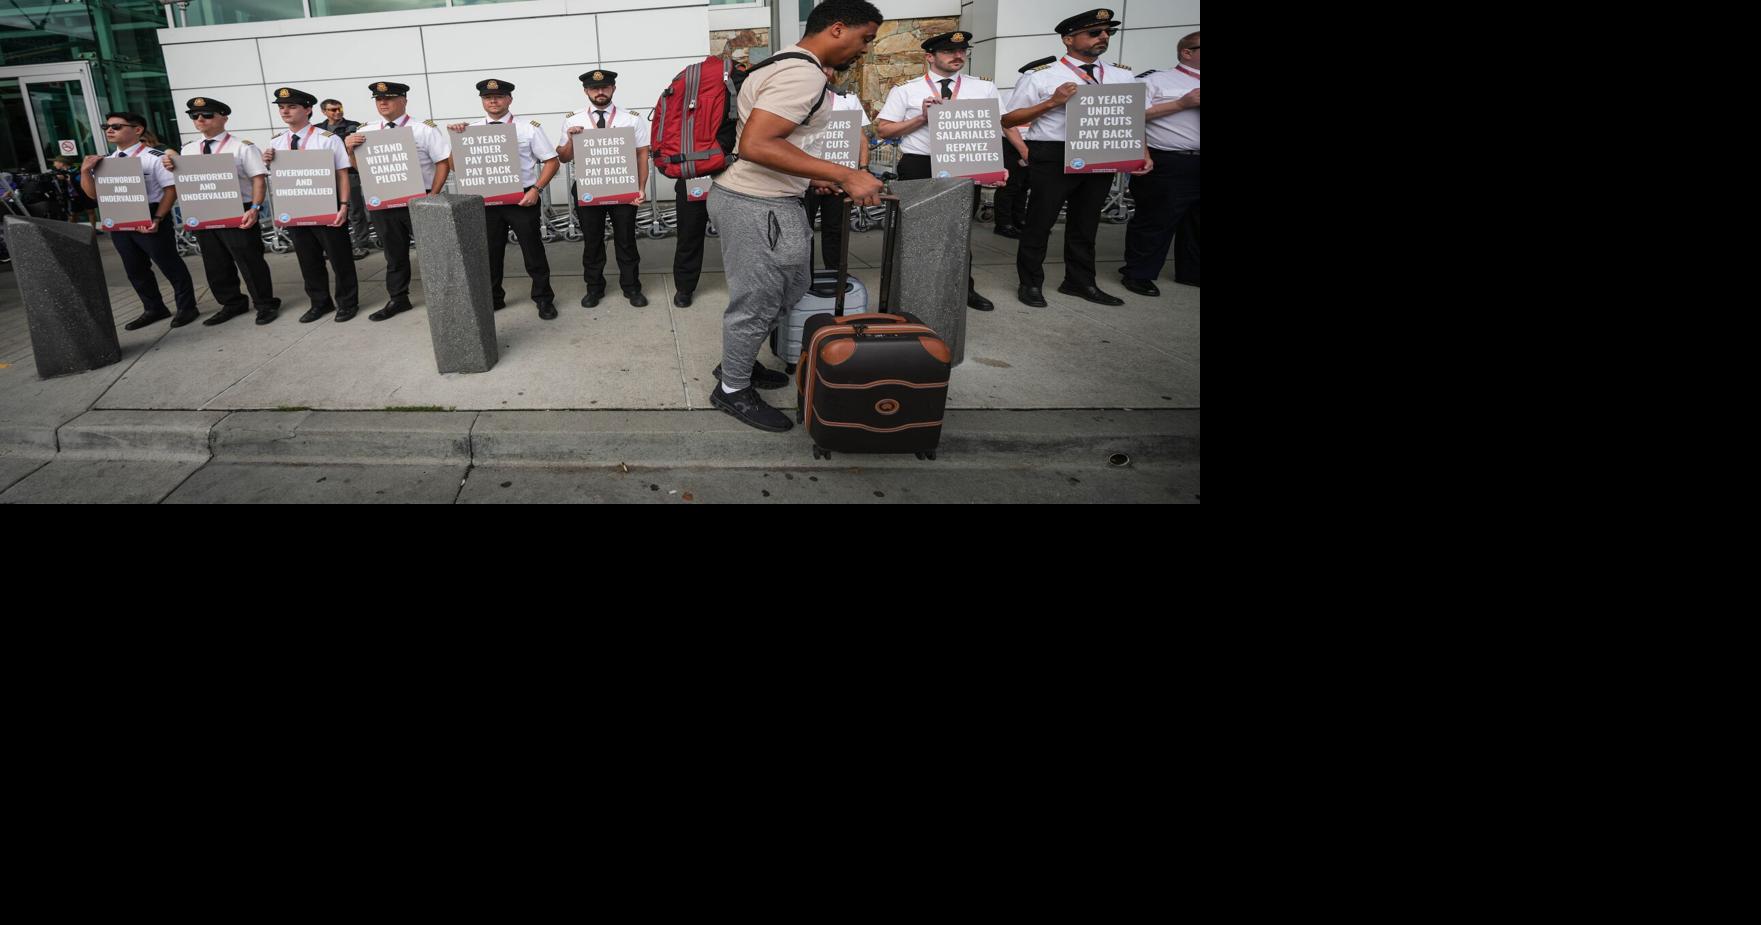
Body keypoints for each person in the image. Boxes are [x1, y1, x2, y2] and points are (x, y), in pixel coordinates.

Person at [706, 0, 884, 433]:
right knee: (758, 300)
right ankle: (732, 388)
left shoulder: (786, 63)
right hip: (756, 203)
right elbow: (758, 144)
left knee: (793, 285)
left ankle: (737, 361)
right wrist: (845, 173)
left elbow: (770, 142)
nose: (865, 49)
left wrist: (809, 178)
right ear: (837, 29)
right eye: (865, 38)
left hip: (767, 199)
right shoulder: (801, 74)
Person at [1002, 8, 1153, 307]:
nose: (1103, 36)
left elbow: (1131, 117)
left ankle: (1080, 281)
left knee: (1086, 224)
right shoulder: (1041, 75)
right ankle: (1030, 283)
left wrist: (1142, 151)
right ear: (1068, 39)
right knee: (1040, 222)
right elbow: (1009, 119)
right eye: (1094, 32)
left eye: (1108, 32)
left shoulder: (1122, 75)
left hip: (1100, 150)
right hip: (1054, 153)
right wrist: (1052, 102)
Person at [875, 29, 999, 311]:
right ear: (929, 57)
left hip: (964, 161)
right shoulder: (906, 89)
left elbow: (995, 127)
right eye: (949, 51)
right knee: (916, 229)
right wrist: (921, 118)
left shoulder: (983, 88)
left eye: (962, 50)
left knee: (959, 230)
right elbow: (884, 130)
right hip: (920, 163)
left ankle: (962, 289)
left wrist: (996, 167)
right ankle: (915, 289)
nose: (958, 55)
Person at [163, 96, 282, 326]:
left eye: (207, 115)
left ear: (223, 118)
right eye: (195, 115)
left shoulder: (242, 147)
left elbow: (258, 179)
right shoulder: (188, 149)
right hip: (205, 209)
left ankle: (265, 303)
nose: (200, 119)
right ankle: (232, 302)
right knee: (215, 262)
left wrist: (255, 208)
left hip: (238, 209)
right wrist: (172, 166)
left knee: (249, 260)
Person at [448, 78, 560, 319]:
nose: (493, 101)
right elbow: (456, 166)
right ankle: (493, 299)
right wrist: (456, 140)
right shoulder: (469, 130)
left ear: (509, 99)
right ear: (482, 101)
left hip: (523, 198)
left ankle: (543, 299)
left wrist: (536, 190)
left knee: (533, 251)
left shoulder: (528, 128)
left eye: (498, 96)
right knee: (490, 253)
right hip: (486, 200)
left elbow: (552, 161)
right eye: (488, 97)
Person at [79, 111, 200, 329]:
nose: (110, 130)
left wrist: (158, 217)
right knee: (134, 268)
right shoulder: (105, 161)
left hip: (151, 213)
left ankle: (187, 307)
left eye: (116, 126)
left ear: (137, 130)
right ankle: (153, 308)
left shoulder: (154, 157)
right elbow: (93, 194)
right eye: (106, 127)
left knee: (169, 264)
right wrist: (85, 172)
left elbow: (171, 190)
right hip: (119, 216)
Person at [346, 81, 453, 321]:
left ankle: (445, 297)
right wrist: (351, 152)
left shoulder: (423, 129)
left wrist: (433, 195)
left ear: (403, 100)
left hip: (420, 199)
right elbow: (362, 168)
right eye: (378, 99)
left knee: (433, 252)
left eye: (389, 98)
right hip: (384, 202)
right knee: (394, 255)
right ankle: (398, 298)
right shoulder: (365, 132)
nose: (383, 102)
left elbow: (442, 162)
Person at [556, 69, 650, 308]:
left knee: (626, 239)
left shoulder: (631, 119)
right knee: (592, 241)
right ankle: (594, 287)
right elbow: (563, 157)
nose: (600, 92)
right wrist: (571, 139)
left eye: (605, 87)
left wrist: (641, 187)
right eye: (594, 88)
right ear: (586, 91)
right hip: (588, 186)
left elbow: (642, 154)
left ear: (613, 89)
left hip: (623, 185)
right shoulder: (573, 119)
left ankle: (631, 287)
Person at [262, 87, 358, 322]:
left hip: (327, 204)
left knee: (340, 258)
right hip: (296, 207)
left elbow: (342, 174)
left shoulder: (326, 139)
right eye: (281, 107)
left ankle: (347, 303)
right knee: (308, 260)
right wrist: (268, 163)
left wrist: (343, 205)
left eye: (292, 106)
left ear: (307, 110)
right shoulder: (277, 142)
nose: (285, 111)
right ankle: (320, 302)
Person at [1121, 30, 1200, 293]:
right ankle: (1139, 273)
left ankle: (1192, 272)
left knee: (1196, 222)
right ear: (1187, 52)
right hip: (1169, 160)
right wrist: (1181, 104)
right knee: (1156, 219)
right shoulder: (1155, 81)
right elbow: (1130, 114)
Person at [801, 62, 870, 274]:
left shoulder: (847, 99)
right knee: (804, 231)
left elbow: (861, 138)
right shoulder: (797, 99)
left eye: (829, 68)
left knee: (836, 229)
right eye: (821, 68)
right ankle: (804, 279)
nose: (826, 72)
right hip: (806, 177)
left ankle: (836, 275)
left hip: (839, 175)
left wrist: (863, 169)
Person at [318, 98, 370, 259]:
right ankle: (335, 245)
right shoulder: (317, 129)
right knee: (330, 211)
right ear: (324, 112)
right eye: (333, 110)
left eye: (339, 108)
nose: (338, 112)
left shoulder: (354, 126)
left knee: (355, 210)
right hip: (326, 175)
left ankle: (361, 244)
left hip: (350, 173)